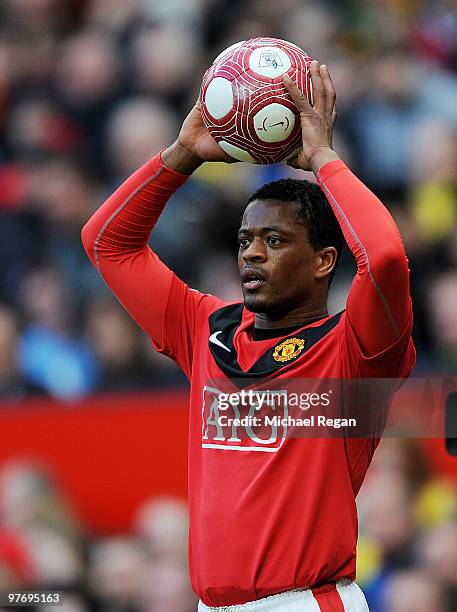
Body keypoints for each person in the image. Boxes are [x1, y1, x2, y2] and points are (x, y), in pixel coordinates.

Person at [82, 61, 416, 611]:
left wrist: (322, 160)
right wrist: (182, 154)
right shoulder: (204, 328)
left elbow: (382, 257)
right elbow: (106, 243)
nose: (252, 253)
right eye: (244, 240)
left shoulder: (358, 348)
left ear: (323, 261)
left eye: (275, 240)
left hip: (306, 602)